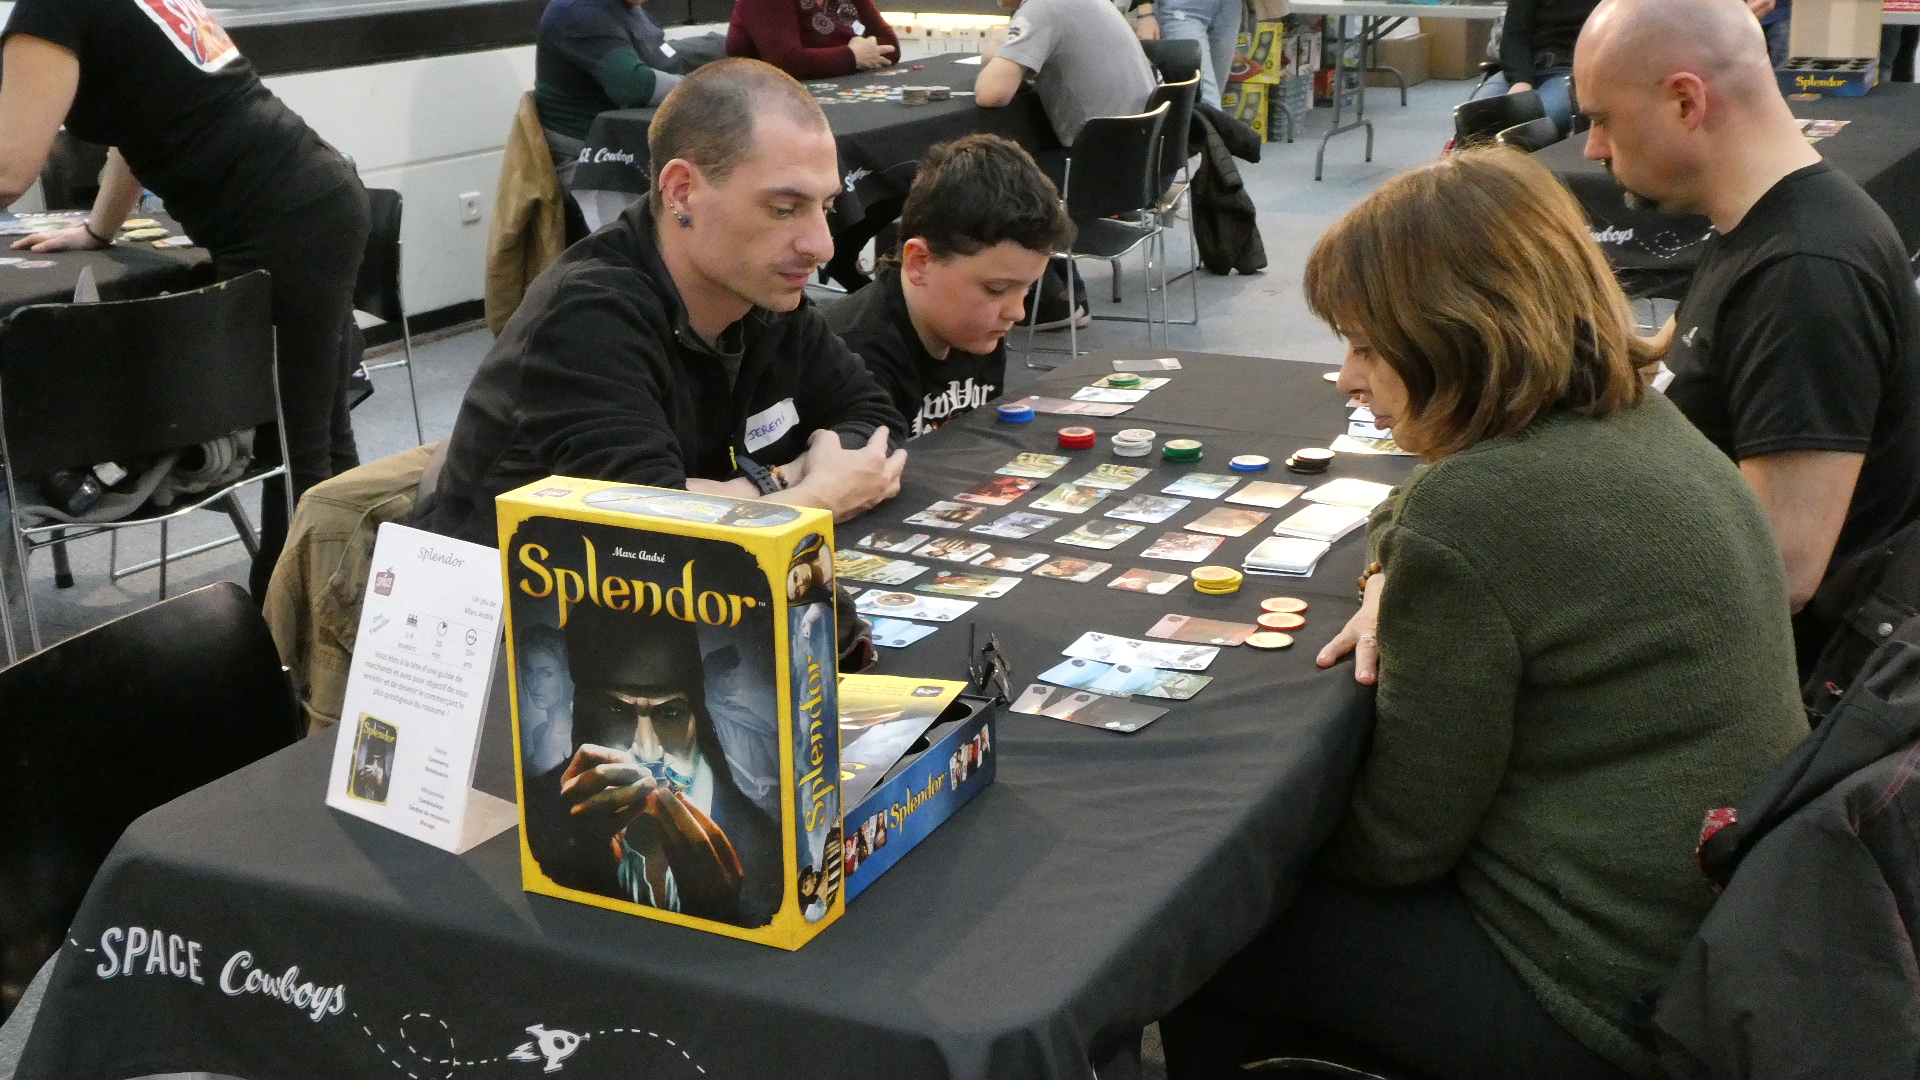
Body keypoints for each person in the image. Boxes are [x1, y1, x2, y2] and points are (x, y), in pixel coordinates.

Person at [1159, 149, 1810, 1080]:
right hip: (1718, 937)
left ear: (1458, 335)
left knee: (1204, 929)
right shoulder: (1634, 418)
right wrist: (1389, 569)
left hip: (1598, 990)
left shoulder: (1480, 509)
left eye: (1368, 347)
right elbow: (1418, 506)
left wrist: (1261, 845)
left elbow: (1401, 843)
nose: (1346, 379)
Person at [420, 58, 909, 548]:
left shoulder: (760, 292)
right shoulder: (584, 318)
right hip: (505, 588)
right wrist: (812, 493)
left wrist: (743, 492)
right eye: (784, 209)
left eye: (826, 207)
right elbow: (658, 538)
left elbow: (875, 420)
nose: (822, 246)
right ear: (682, 192)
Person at [1576, 0, 1920, 674]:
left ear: (1686, 102)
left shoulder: (1804, 272)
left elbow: (1778, 570)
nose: (1592, 148)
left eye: (1603, 119)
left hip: (1772, 682)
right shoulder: (1758, 226)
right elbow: (1668, 367)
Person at [0, 0, 369, 600]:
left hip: (287, 221)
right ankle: (340, 609)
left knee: (297, 447)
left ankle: (297, 626)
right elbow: (138, 129)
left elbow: (8, 172)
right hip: (314, 198)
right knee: (316, 436)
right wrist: (98, 230)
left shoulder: (53, 8)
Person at [825, 135, 1071, 438]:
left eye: (1028, 289)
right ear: (920, 263)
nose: (1018, 312)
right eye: (996, 289)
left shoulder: (973, 329)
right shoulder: (854, 358)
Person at [976, 0, 1154, 330]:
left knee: (994, 177)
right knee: (1023, 163)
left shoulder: (1043, 8)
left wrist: (997, 41)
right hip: (1143, 164)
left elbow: (991, 92)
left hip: (1107, 173)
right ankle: (1065, 294)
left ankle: (1051, 304)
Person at [533, 0, 698, 191]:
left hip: (630, 146)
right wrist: (702, 89)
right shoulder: (577, 12)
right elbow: (634, 85)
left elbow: (665, 57)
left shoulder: (630, 10)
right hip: (589, 160)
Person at [1468, 0, 1601, 136]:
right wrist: (1520, 80)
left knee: (1536, 125)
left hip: (1568, 70)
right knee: (1473, 119)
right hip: (1521, 67)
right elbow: (1514, 36)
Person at [726, 0, 897, 79]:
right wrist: (853, 56)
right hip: (766, 103)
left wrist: (861, 54)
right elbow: (788, 62)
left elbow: (890, 45)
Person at [1129, 0, 1240, 107]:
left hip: (1230, 7)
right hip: (1181, 8)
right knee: (1208, 102)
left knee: (1208, 106)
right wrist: (1145, 12)